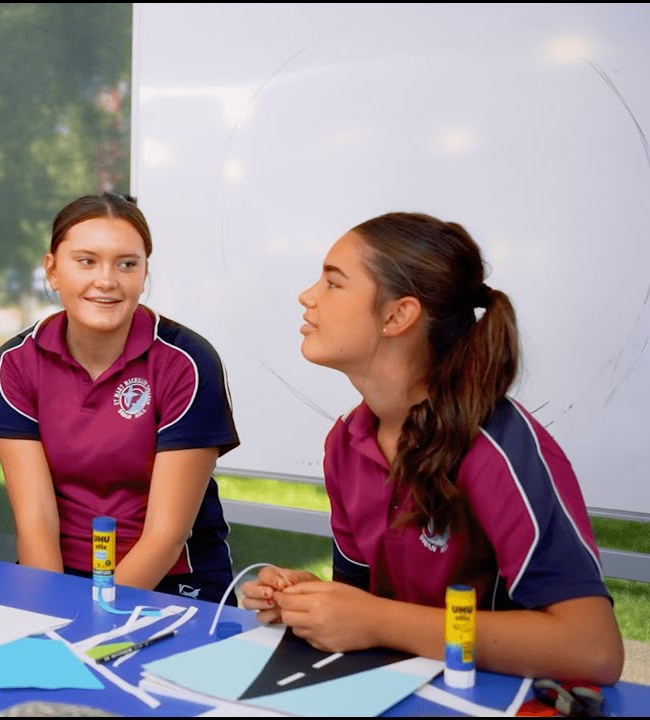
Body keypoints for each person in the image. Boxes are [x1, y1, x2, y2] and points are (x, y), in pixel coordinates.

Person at [239, 212, 623, 684]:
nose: (307, 296)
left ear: (398, 315)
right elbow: (363, 600)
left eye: (333, 283)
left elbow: (593, 649)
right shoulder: (346, 443)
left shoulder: (499, 447)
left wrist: (375, 620)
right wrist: (315, 603)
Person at [0, 192, 240, 603]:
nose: (107, 280)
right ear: (52, 271)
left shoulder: (188, 361)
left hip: (170, 579)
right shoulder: (16, 362)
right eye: (86, 261)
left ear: (144, 274)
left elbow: (167, 534)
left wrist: (95, 615)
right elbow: (35, 522)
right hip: (58, 574)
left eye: (127, 264)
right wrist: (52, 606)